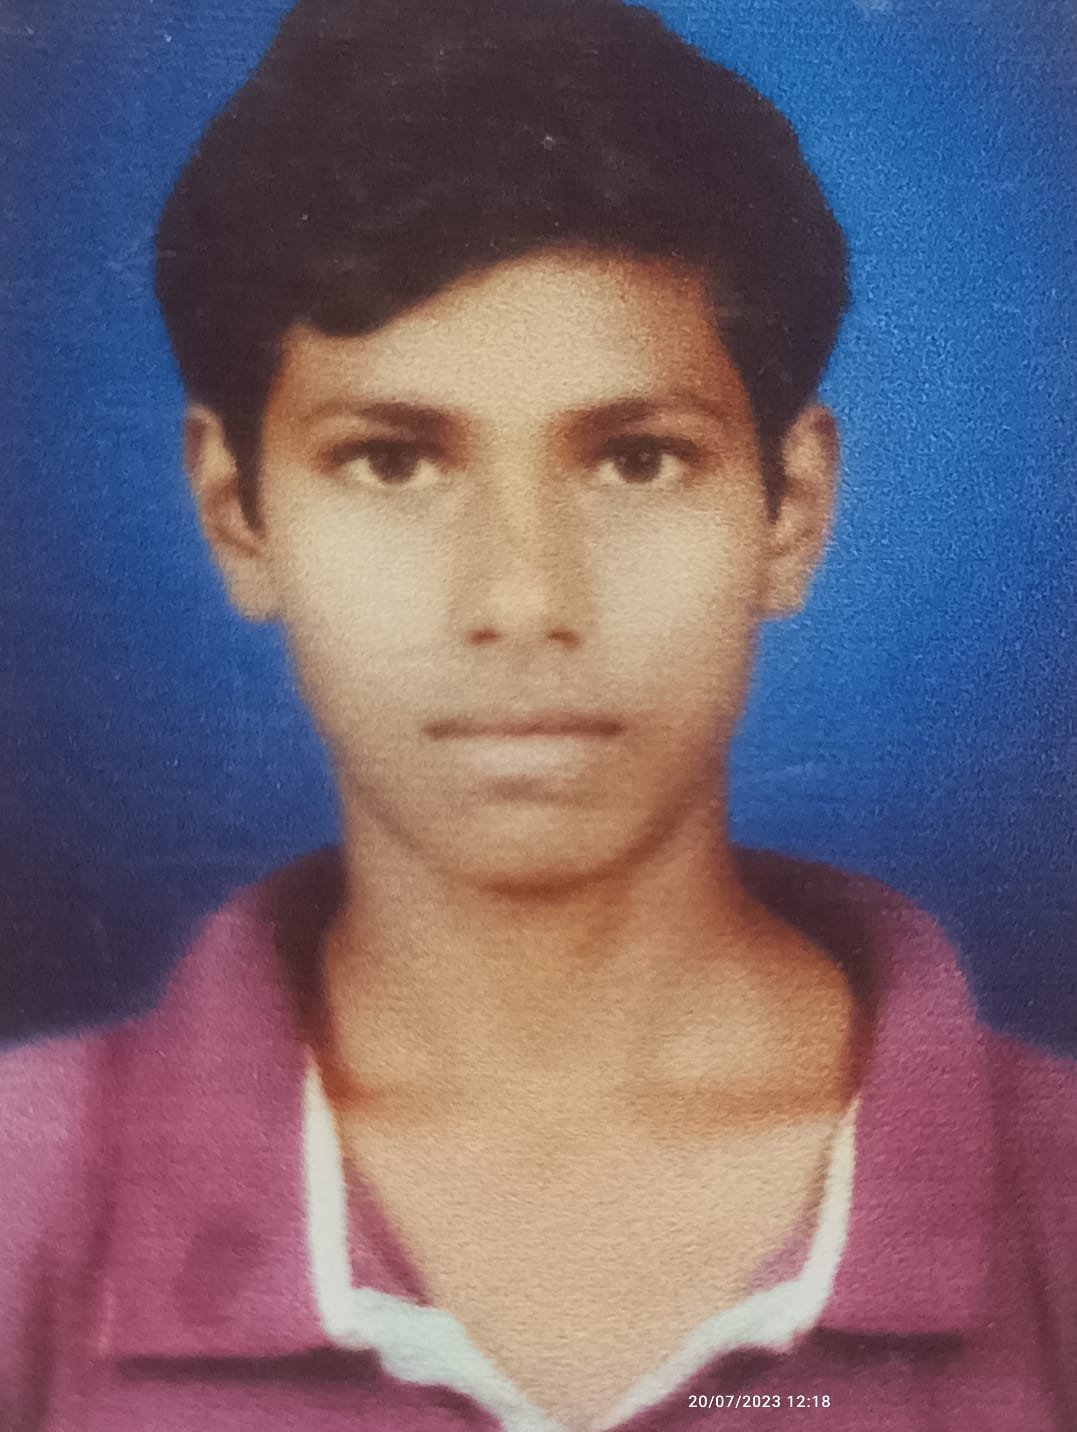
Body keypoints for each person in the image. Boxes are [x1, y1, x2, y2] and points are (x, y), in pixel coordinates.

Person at [2, 0, 1075, 1428]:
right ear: (236, 513)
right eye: (392, 462)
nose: (520, 597)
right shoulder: (22, 1207)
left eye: (636, 460)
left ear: (791, 512)